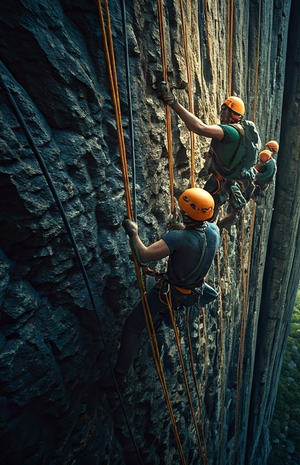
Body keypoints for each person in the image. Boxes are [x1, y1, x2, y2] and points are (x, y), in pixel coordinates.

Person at [110, 187, 220, 389]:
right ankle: (164, 315)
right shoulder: (214, 230)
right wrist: (181, 228)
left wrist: (133, 233)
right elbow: (197, 240)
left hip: (171, 292)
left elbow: (142, 255)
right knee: (160, 306)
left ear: (186, 213)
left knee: (134, 325)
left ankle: (119, 374)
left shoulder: (177, 238)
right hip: (193, 291)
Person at [155, 81, 260, 223]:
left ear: (235, 114)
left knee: (206, 209)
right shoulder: (235, 131)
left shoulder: (232, 132)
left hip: (222, 181)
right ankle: (200, 231)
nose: (222, 112)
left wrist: (174, 103)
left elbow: (200, 128)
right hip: (223, 180)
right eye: (222, 108)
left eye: (226, 109)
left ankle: (197, 234)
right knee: (209, 208)